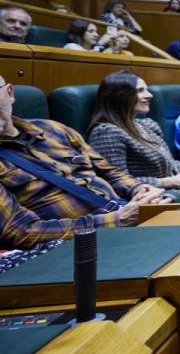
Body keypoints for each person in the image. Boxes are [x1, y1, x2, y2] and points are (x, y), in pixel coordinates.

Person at [0, 74, 170, 249]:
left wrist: (138, 188)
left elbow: (107, 170)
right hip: (77, 245)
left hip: (124, 219)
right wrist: (117, 220)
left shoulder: (54, 129)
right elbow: (19, 230)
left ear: (10, 93)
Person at [87, 71, 180, 201]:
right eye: (140, 91)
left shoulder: (148, 125)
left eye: (146, 90)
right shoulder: (106, 132)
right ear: (120, 96)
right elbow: (116, 182)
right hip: (154, 198)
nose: (149, 95)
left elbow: (169, 163)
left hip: (174, 190)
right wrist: (170, 182)